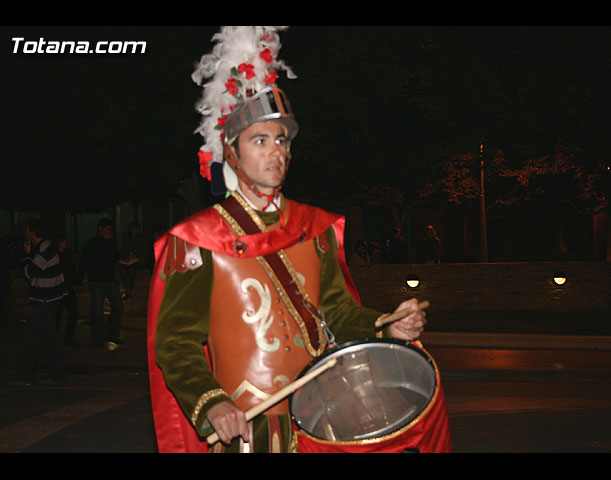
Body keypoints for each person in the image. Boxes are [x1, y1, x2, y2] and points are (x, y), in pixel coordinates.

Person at [147, 26, 427, 453]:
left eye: (281, 140)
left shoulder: (313, 228)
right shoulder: (198, 239)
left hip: (324, 418)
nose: (276, 151)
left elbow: (337, 311)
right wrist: (213, 404)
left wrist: (386, 323)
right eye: (260, 140)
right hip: (249, 430)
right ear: (233, 154)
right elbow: (176, 343)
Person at [7, 219, 66, 386]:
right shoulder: (45, 247)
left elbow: (30, 272)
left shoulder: (44, 249)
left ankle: (25, 376)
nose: (26, 233)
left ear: (32, 232)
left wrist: (26, 255)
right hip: (50, 297)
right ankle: (58, 375)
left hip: (46, 299)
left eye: (27, 230)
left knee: (33, 337)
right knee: (49, 338)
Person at [78, 218, 124, 351]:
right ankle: (98, 338)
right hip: (96, 280)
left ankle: (111, 334)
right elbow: (84, 262)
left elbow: (117, 257)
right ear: (101, 229)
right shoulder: (91, 244)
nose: (109, 232)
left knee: (118, 306)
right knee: (97, 310)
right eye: (108, 229)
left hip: (109, 280)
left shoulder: (111, 243)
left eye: (110, 229)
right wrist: (79, 279)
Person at [54, 235, 80, 346]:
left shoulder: (67, 254)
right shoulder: (55, 255)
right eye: (63, 241)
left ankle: (68, 337)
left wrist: (76, 282)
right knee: (57, 314)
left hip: (67, 287)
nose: (66, 242)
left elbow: (71, 269)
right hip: (59, 288)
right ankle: (54, 338)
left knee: (73, 312)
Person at [118, 221, 146, 300]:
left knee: (132, 270)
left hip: (137, 259)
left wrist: (136, 256)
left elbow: (143, 250)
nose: (135, 231)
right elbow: (123, 249)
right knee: (122, 269)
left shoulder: (141, 238)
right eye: (133, 229)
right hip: (127, 259)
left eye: (136, 229)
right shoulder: (126, 237)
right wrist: (125, 257)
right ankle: (127, 288)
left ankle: (128, 289)